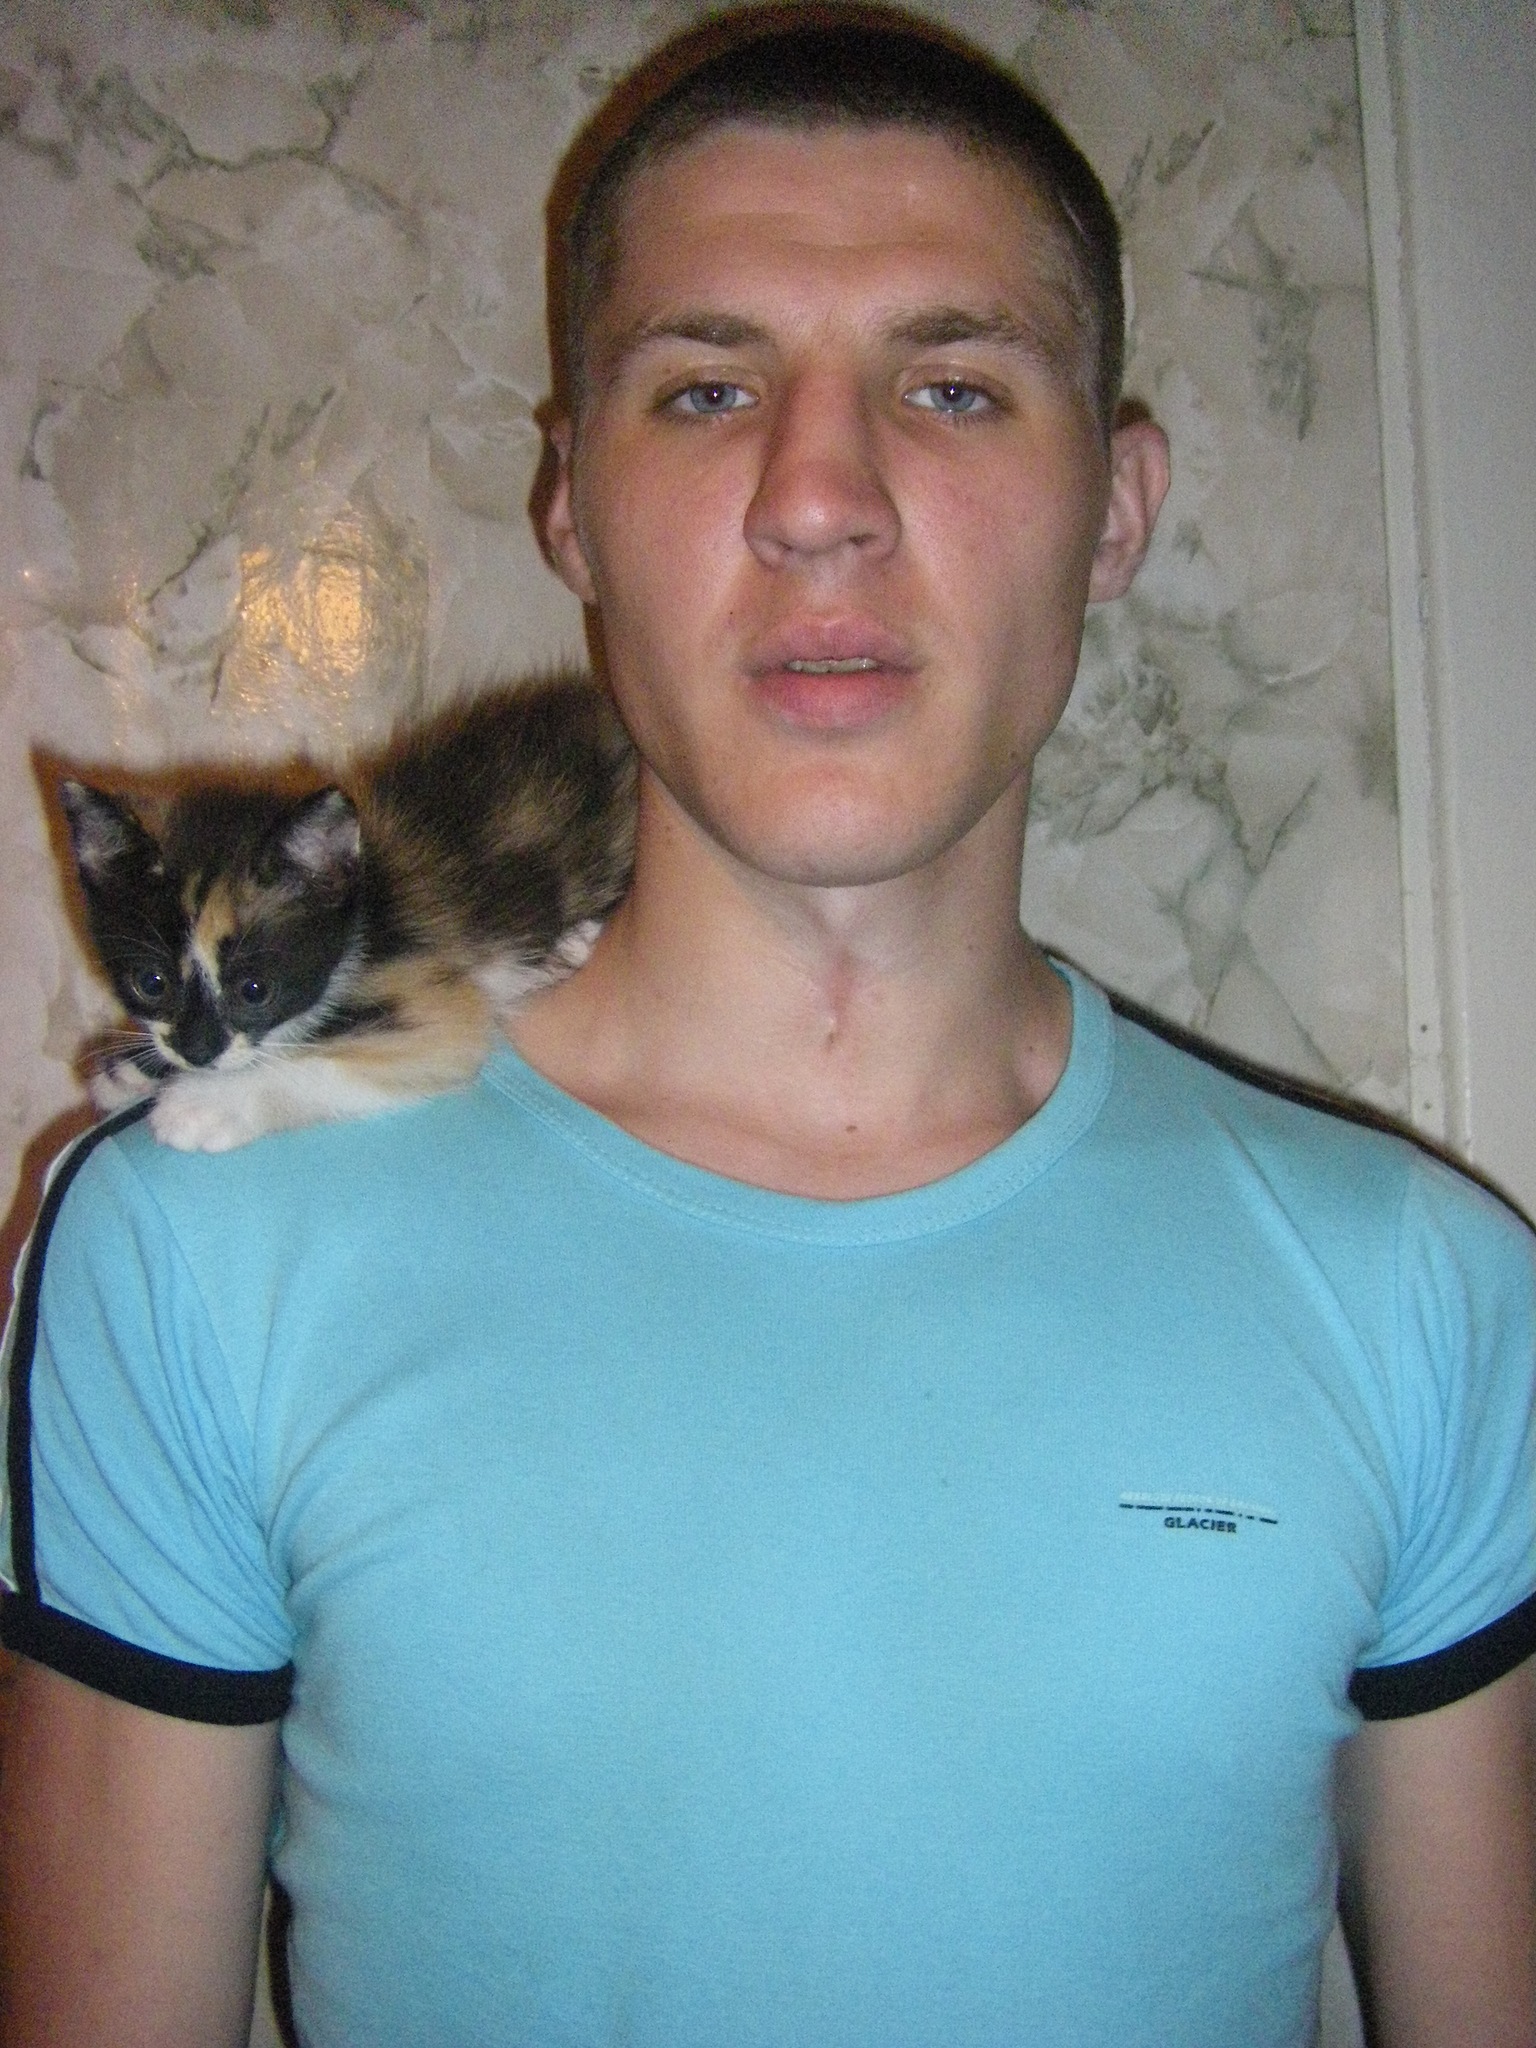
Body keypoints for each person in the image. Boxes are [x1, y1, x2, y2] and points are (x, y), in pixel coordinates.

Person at [2, 12, 1534, 2045]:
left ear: (1117, 506)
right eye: (708, 389)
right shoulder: (190, 1253)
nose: (821, 497)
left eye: (954, 387)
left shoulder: (1428, 1297)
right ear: (571, 504)